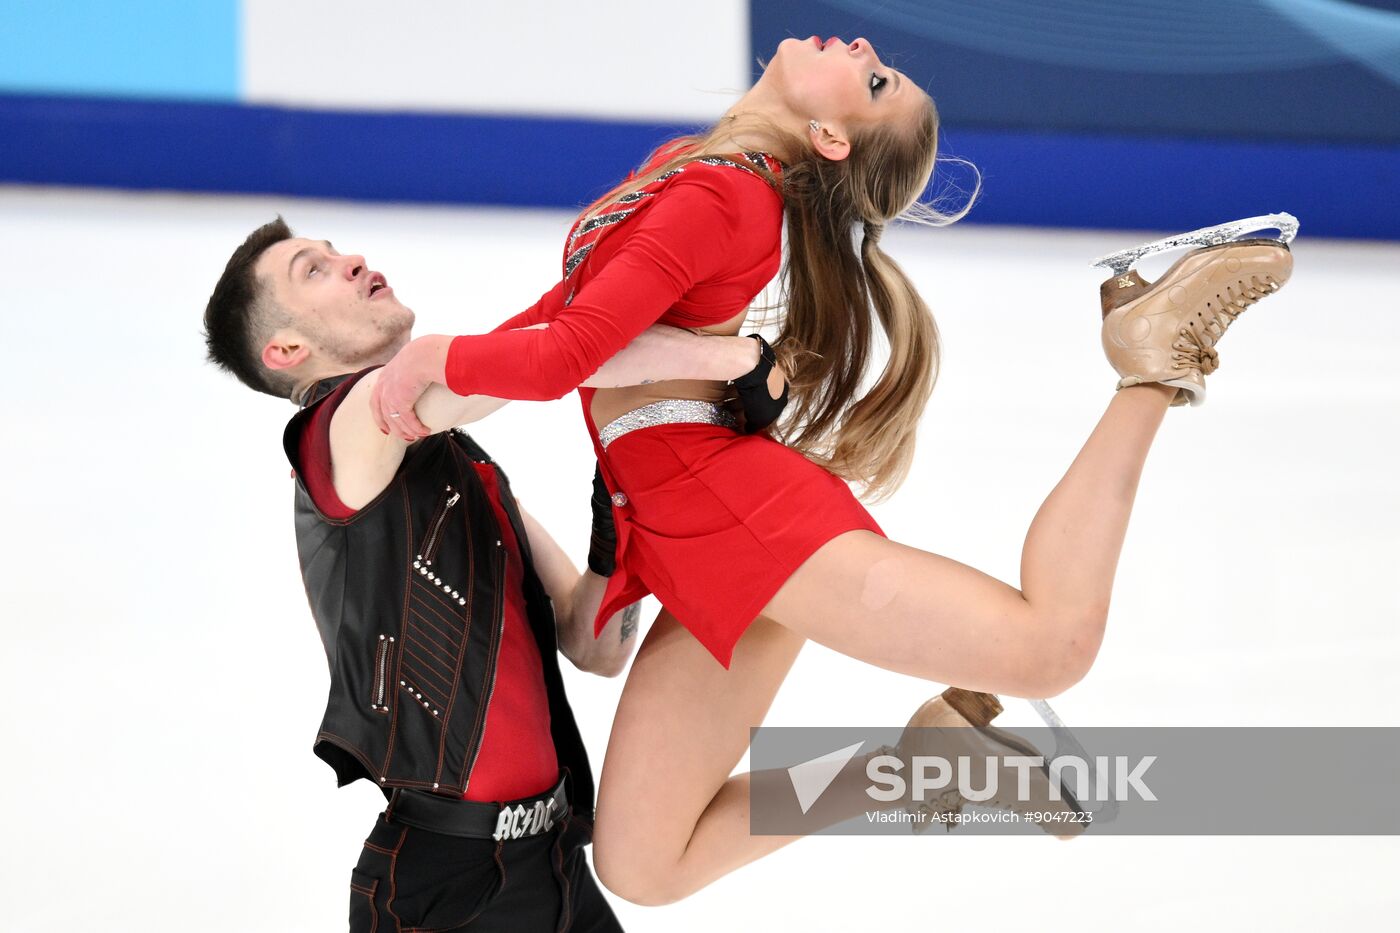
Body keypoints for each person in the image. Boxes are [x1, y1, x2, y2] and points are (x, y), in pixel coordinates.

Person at [365, 35, 1296, 906]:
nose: (861, 48)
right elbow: (561, 323)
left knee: (1051, 645)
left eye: (877, 80)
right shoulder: (689, 164)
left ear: (828, 136)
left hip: (730, 511)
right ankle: (930, 761)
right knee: (642, 862)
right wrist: (434, 386)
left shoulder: (722, 199)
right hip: (683, 521)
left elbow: (566, 352)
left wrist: (429, 365)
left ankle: (1150, 362)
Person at [201, 216, 791, 930]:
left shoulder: (464, 468)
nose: (351, 259)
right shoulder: (338, 432)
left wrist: (618, 508)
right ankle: (915, 776)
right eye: (314, 270)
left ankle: (922, 769)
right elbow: (539, 362)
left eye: (336, 250)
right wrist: (727, 357)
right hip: (447, 890)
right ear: (288, 349)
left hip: (554, 862)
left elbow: (594, 643)